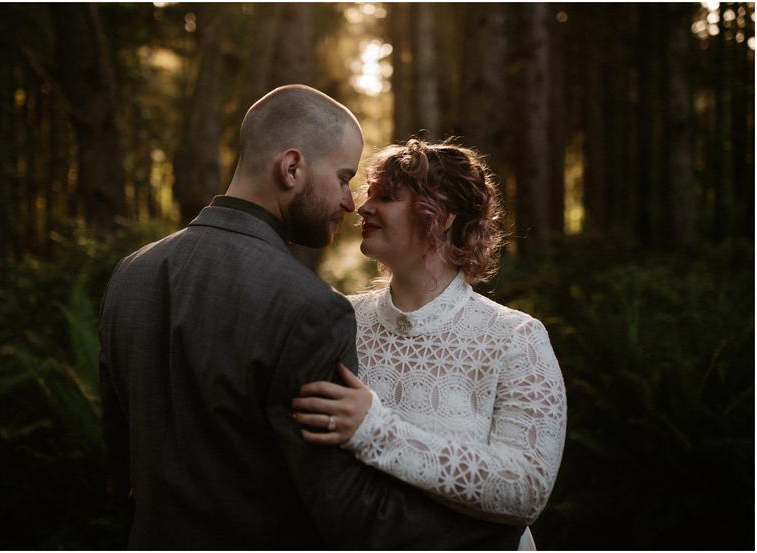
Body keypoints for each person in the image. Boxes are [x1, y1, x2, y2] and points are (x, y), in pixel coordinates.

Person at [99, 85, 527, 548]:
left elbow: (120, 472)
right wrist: (493, 533)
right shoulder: (310, 309)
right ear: (292, 168)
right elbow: (343, 511)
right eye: (344, 177)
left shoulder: (131, 274)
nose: (350, 202)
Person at [291, 139, 567, 549]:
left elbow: (526, 489)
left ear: (438, 218)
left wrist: (376, 432)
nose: (363, 207)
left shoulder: (515, 338)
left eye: (386, 197)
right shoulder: (339, 320)